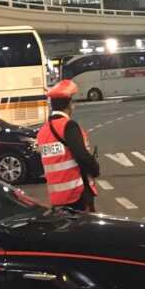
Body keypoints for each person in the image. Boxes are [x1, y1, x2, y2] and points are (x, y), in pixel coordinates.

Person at [37, 79, 100, 212]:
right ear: (69, 104)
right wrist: (95, 169)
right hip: (77, 194)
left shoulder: (43, 131)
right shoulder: (68, 126)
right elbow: (81, 155)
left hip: (57, 198)